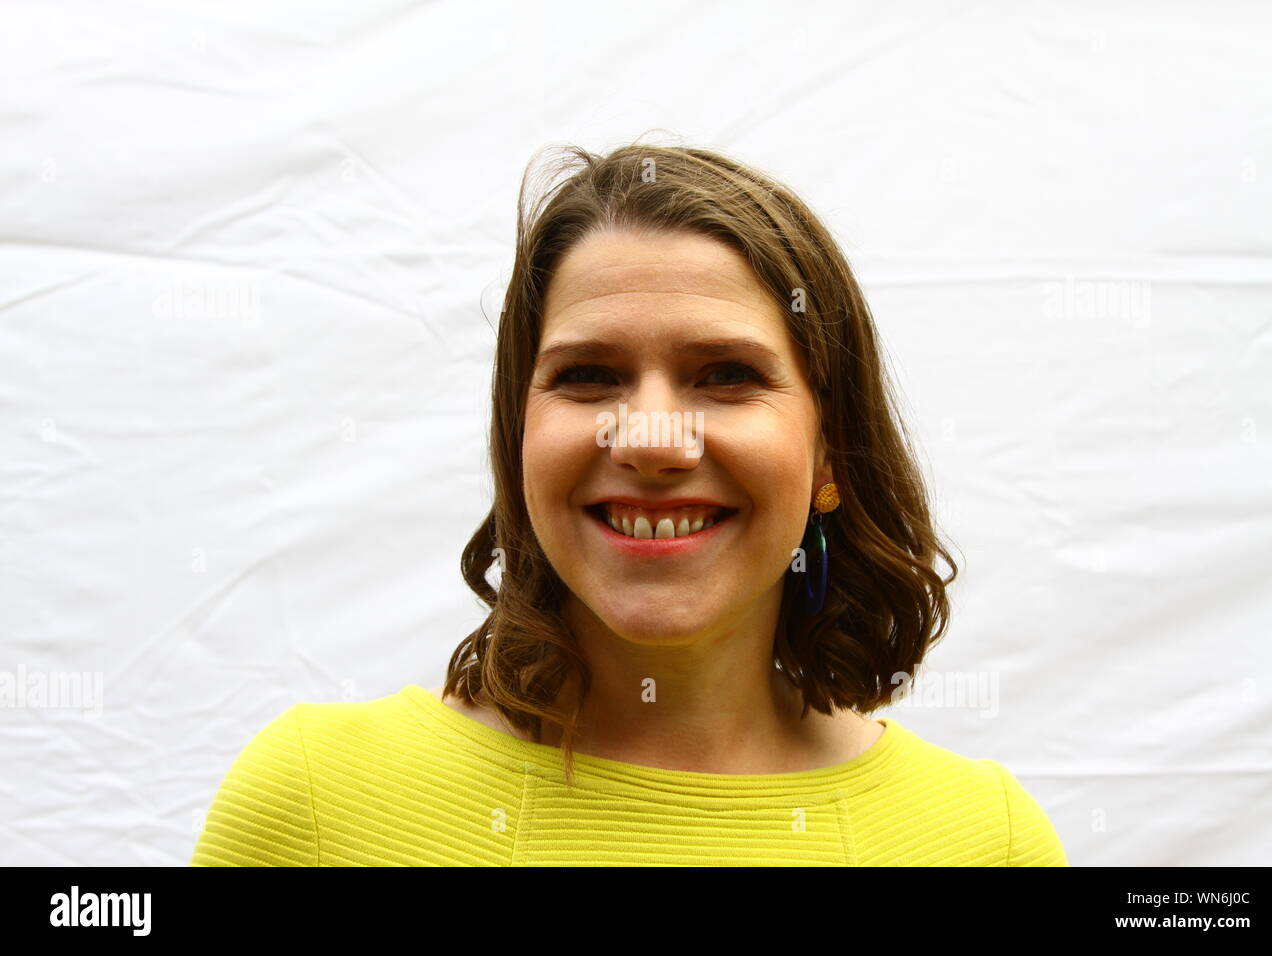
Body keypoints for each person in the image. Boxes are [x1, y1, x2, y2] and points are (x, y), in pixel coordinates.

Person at [191, 140, 1068, 866]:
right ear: (520, 438)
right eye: (588, 376)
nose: (649, 440)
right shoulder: (310, 806)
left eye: (726, 376)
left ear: (828, 451)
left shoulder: (987, 843)